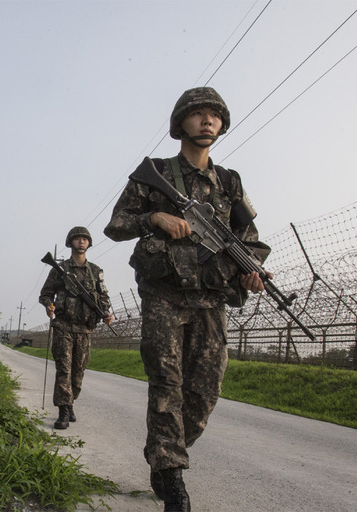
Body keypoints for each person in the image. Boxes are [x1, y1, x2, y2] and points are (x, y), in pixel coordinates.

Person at [103, 87, 271, 512]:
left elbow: (249, 242)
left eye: (214, 115)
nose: (207, 121)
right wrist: (153, 217)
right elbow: (117, 225)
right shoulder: (156, 172)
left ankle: (162, 454)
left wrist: (251, 271)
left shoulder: (230, 182)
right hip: (164, 295)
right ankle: (174, 479)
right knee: (167, 385)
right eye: (198, 114)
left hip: (211, 301)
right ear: (181, 123)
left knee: (204, 394)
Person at [38, 226, 114, 430]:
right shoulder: (59, 269)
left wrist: (106, 312)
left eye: (85, 239)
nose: (81, 242)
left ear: (89, 243)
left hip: (85, 329)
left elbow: (104, 297)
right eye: (77, 239)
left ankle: (70, 401)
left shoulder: (96, 271)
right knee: (64, 369)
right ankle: (63, 411)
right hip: (63, 325)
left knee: (78, 372)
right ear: (70, 242)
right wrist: (48, 305)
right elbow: (45, 294)